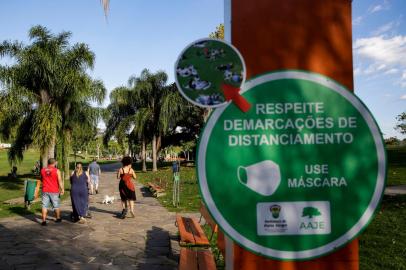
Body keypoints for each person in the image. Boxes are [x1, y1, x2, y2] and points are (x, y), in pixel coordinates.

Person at [40, 158, 64, 226]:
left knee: (44, 206)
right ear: (54, 163)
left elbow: (42, 179)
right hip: (54, 190)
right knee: (56, 205)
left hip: (45, 190)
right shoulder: (56, 170)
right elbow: (59, 180)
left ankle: (44, 221)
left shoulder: (42, 170)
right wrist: (62, 189)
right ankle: (58, 218)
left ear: (48, 163)